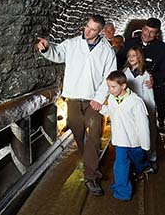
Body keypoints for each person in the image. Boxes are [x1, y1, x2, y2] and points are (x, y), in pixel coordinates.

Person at [36, 15, 116, 196]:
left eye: (93, 29)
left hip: (92, 102)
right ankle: (88, 159)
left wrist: (99, 98)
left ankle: (91, 176)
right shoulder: (72, 43)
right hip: (73, 99)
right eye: (87, 26)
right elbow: (57, 53)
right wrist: (46, 48)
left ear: (101, 32)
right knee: (79, 136)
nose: (87, 30)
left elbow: (109, 77)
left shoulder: (107, 51)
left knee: (94, 136)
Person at [100, 70, 151, 201]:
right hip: (120, 139)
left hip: (134, 140)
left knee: (138, 160)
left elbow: (143, 125)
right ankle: (123, 192)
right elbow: (112, 112)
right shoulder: (112, 99)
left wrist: (146, 145)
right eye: (108, 87)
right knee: (120, 164)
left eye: (113, 87)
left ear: (123, 86)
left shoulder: (136, 102)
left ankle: (143, 166)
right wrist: (100, 108)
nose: (110, 90)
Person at [117, 18, 165, 128]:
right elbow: (118, 62)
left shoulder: (162, 48)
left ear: (157, 34)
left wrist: (155, 80)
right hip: (131, 85)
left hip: (151, 87)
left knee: (152, 113)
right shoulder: (129, 44)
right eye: (146, 30)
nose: (148, 34)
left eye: (152, 32)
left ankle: (157, 125)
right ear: (142, 29)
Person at [122, 46, 159, 163]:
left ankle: (151, 155)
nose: (131, 58)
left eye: (134, 55)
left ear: (140, 57)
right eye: (129, 56)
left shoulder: (145, 75)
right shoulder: (124, 73)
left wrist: (151, 110)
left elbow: (149, 95)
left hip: (143, 106)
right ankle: (136, 158)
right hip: (129, 108)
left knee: (148, 132)